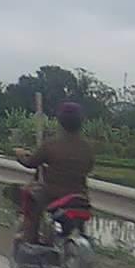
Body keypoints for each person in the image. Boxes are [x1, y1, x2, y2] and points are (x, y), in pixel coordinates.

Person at [13, 101, 95, 244]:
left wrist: (20, 155)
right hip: (80, 196)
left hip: (53, 195)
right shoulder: (88, 148)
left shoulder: (51, 144)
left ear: (60, 121)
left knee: (30, 198)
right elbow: (89, 167)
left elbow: (31, 162)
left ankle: (30, 237)